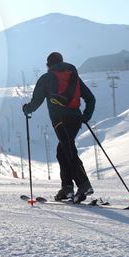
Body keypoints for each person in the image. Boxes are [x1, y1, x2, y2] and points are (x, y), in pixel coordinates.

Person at [23, 51, 97, 202]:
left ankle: (84, 184)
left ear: (48, 65)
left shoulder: (47, 78)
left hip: (60, 119)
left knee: (68, 150)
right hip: (76, 119)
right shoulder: (74, 77)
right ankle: (67, 188)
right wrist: (85, 116)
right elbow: (91, 98)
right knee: (62, 151)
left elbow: (36, 101)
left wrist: (27, 109)